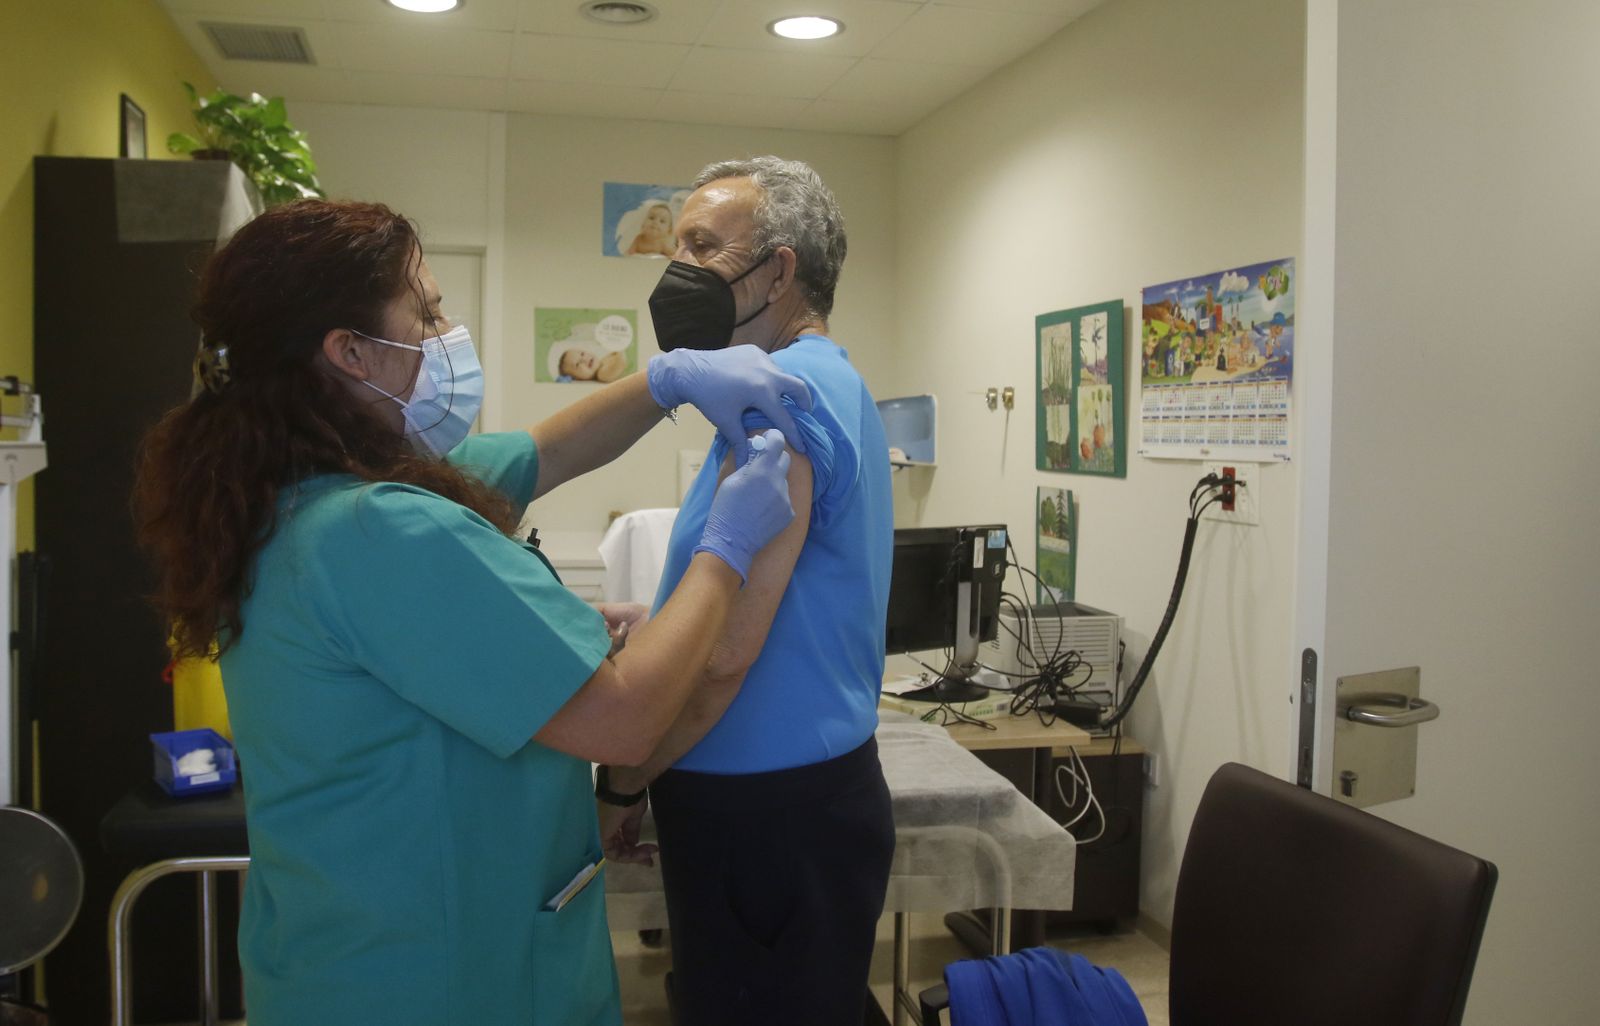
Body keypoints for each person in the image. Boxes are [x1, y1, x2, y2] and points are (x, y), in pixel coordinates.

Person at [131, 198, 816, 1026]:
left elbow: (543, 450)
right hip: (443, 977)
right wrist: (724, 548)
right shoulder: (379, 527)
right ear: (349, 352)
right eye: (425, 311)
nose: (446, 330)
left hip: (341, 957)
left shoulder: (287, 495)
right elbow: (626, 719)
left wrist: (668, 377)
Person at [596, 156, 895, 1025]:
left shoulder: (781, 401)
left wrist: (624, 781)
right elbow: (777, 598)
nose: (678, 267)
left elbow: (725, 659)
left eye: (702, 244)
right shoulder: (826, 383)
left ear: (779, 268)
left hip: (763, 815)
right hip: (797, 799)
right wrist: (662, 620)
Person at [558, 341, 628, 382]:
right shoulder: (602, 375)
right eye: (578, 364)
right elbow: (619, 364)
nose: (584, 359)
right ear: (577, 378)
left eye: (582, 354)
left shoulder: (603, 360)